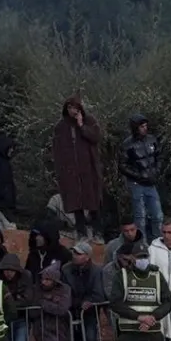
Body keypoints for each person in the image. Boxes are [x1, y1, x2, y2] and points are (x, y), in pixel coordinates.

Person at [52, 97, 103, 241]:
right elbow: (56, 150)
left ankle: (98, 232)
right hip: (71, 171)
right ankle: (81, 233)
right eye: (69, 108)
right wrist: (61, 169)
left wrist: (81, 126)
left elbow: (96, 137)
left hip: (89, 169)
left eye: (74, 107)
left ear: (80, 108)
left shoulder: (89, 121)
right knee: (76, 203)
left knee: (93, 201)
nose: (72, 111)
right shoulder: (61, 126)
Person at [120, 112, 164, 240]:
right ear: (135, 128)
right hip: (136, 184)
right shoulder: (127, 144)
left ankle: (157, 241)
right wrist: (139, 176)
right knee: (140, 218)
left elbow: (159, 156)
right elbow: (122, 165)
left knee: (157, 215)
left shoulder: (152, 139)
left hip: (151, 183)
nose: (145, 128)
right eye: (142, 126)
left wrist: (156, 171)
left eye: (146, 125)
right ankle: (142, 245)